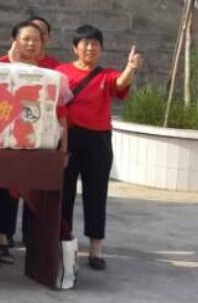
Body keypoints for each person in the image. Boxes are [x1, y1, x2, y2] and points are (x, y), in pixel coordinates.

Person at [59, 24, 143, 272]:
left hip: (98, 141)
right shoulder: (62, 72)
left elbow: (120, 83)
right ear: (75, 47)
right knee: (64, 193)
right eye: (85, 43)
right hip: (68, 137)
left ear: (101, 49)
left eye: (95, 44)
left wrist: (131, 68)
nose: (90, 48)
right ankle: (63, 243)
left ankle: (96, 250)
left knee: (96, 194)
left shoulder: (106, 74)